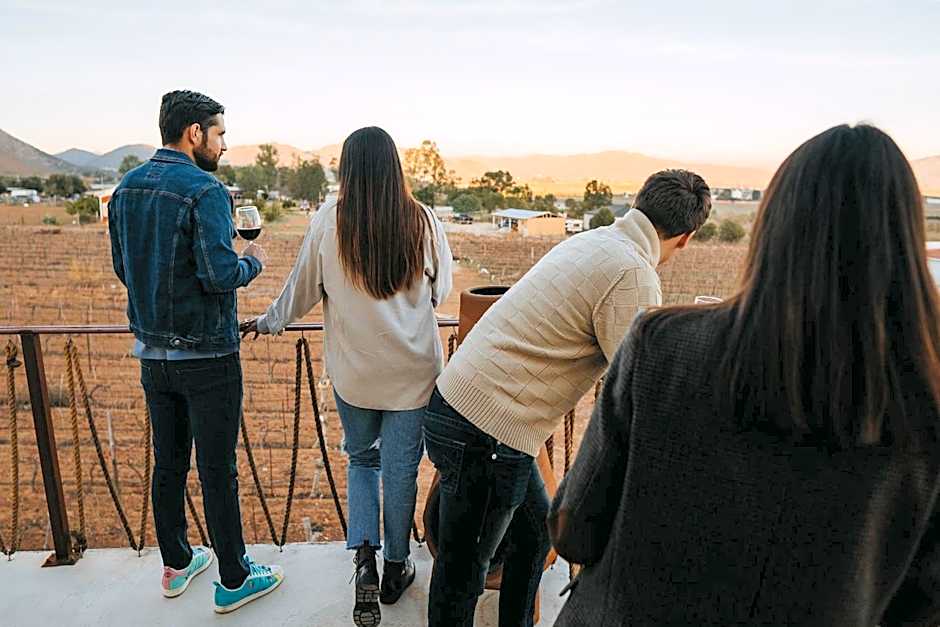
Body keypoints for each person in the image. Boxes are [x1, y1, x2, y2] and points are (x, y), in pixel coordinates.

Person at [549, 124, 940, 626]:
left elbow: (574, 528)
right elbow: (921, 604)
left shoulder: (661, 347)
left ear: (774, 227)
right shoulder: (924, 409)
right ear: (906, 240)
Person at [425, 169, 711, 626]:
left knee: (536, 538)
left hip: (464, 410)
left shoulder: (596, 241)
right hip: (487, 432)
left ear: (639, 202)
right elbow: (635, 384)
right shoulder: (633, 272)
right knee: (465, 570)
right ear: (686, 237)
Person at [241, 126, 453, 627]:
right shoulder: (423, 221)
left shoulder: (328, 222)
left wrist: (266, 322)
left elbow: (300, 292)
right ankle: (396, 567)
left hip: (355, 377)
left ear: (348, 169)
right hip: (414, 376)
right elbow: (441, 290)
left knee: (362, 461)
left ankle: (364, 561)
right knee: (401, 472)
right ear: (395, 167)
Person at [108, 90, 284, 614]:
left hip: (152, 355)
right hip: (208, 359)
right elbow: (218, 273)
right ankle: (233, 578)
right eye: (221, 133)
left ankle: (178, 563)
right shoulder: (207, 190)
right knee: (216, 468)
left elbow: (124, 268)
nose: (224, 145)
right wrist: (253, 259)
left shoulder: (125, 189)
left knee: (168, 465)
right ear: (194, 134)